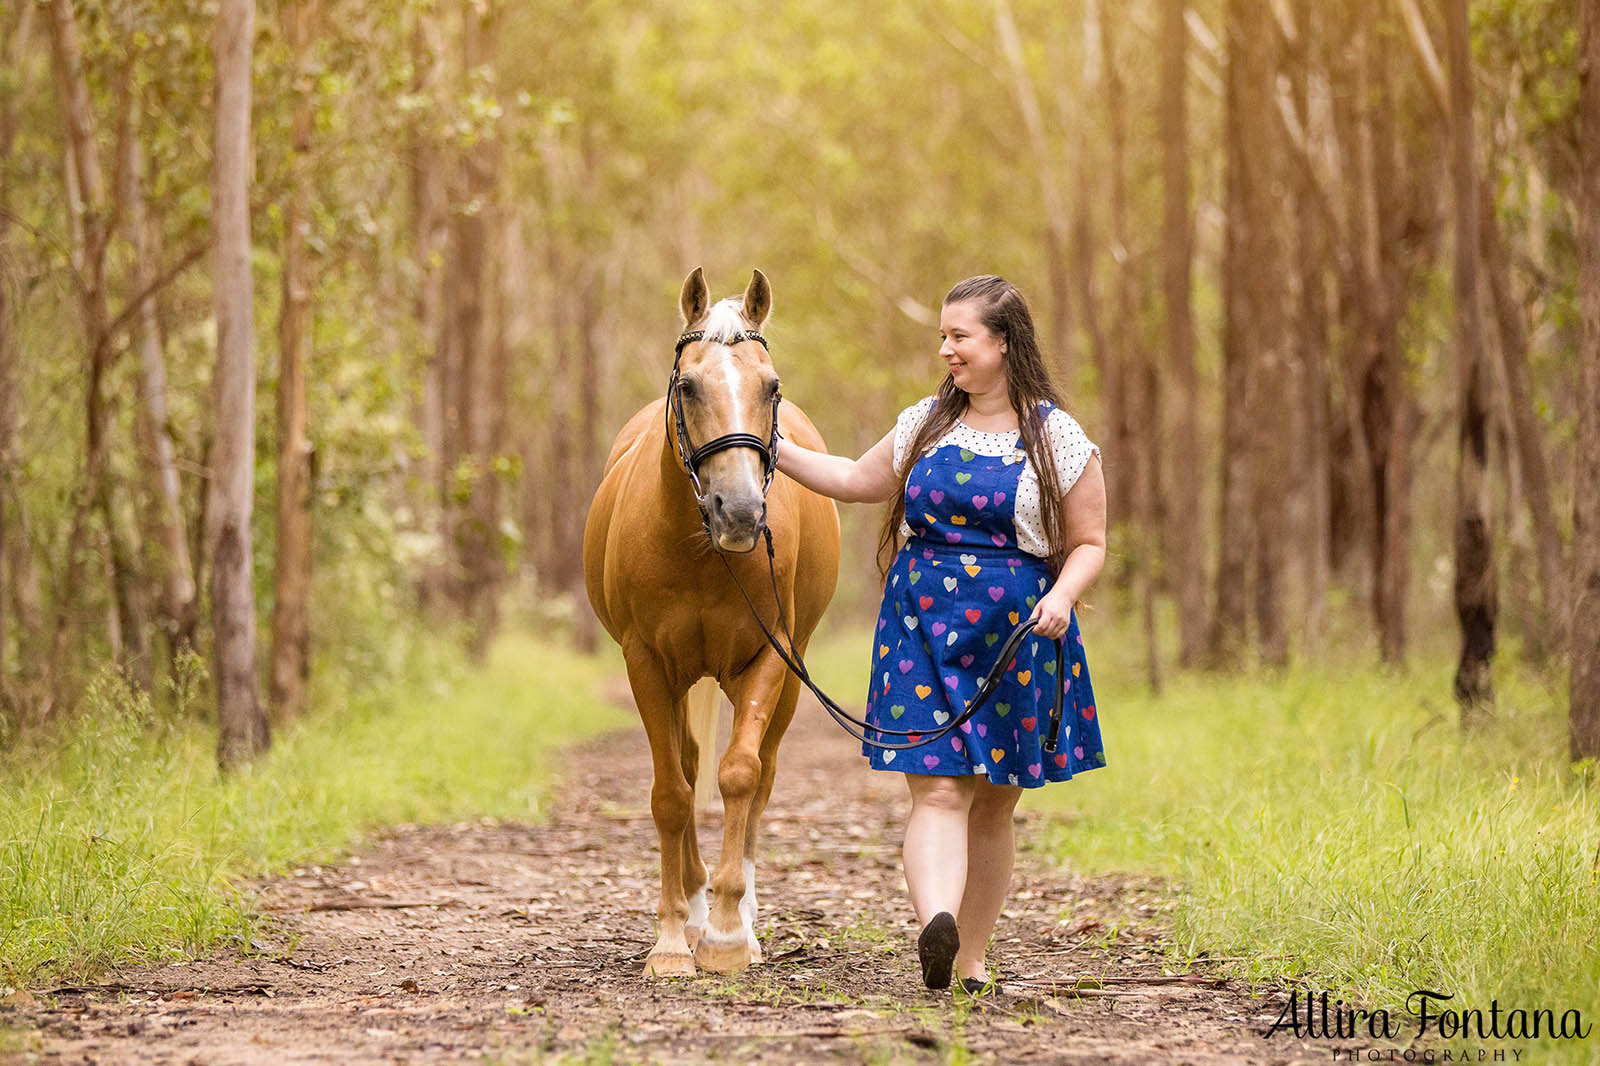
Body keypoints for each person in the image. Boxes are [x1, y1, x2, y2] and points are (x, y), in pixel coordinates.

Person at [775, 274, 1108, 995]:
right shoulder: (926, 421)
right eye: (944, 335)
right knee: (935, 792)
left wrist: (1063, 595)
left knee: (992, 799)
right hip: (921, 624)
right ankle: (937, 925)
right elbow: (852, 479)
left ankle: (971, 958)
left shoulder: (1057, 437)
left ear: (1003, 343)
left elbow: (1090, 541)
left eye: (959, 335)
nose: (946, 349)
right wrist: (762, 446)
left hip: (1017, 630)